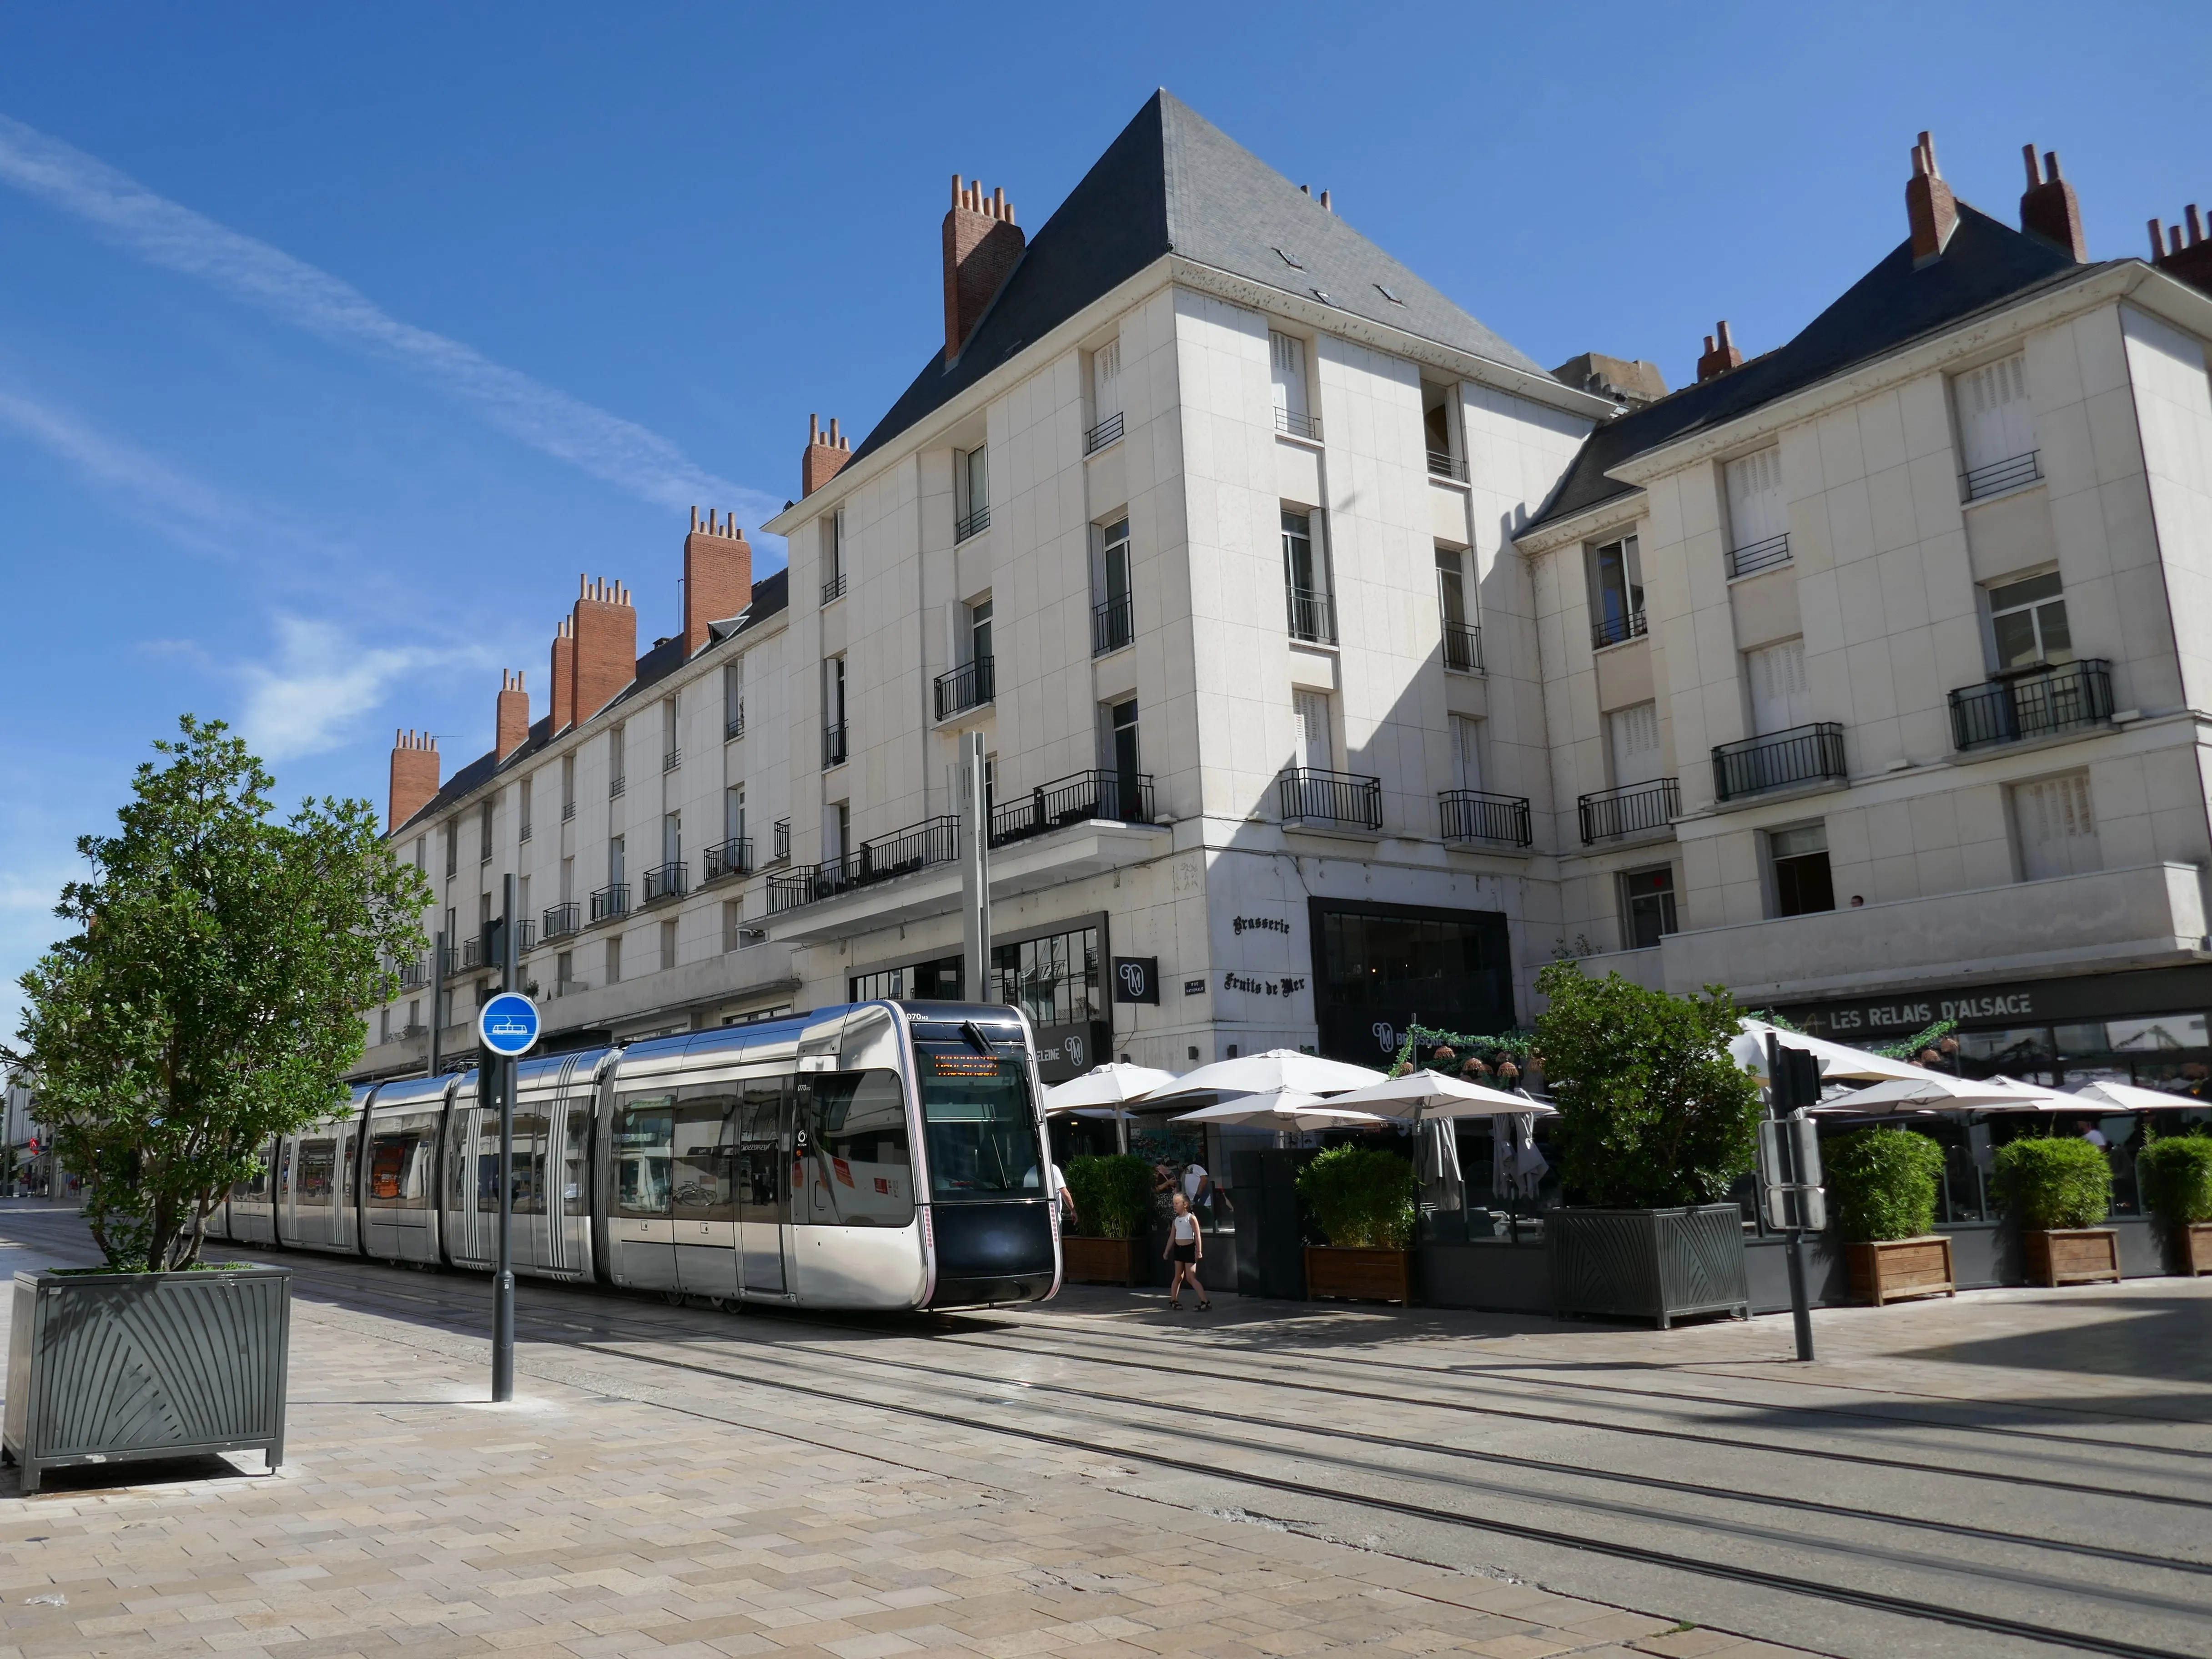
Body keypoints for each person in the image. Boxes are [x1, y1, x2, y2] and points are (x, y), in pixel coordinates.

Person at [1163, 1191, 1209, 1311]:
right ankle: (1174, 1300)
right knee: (1178, 1276)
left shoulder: (1191, 1218)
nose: (1174, 1206)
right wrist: (1167, 1251)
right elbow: (1172, 1237)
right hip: (1179, 1250)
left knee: (1191, 1277)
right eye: (1174, 1204)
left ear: (1185, 1204)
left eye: (1177, 1203)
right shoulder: (1176, 1221)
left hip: (1189, 1249)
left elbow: (1198, 1235)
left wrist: (1199, 1251)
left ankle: (1205, 1301)